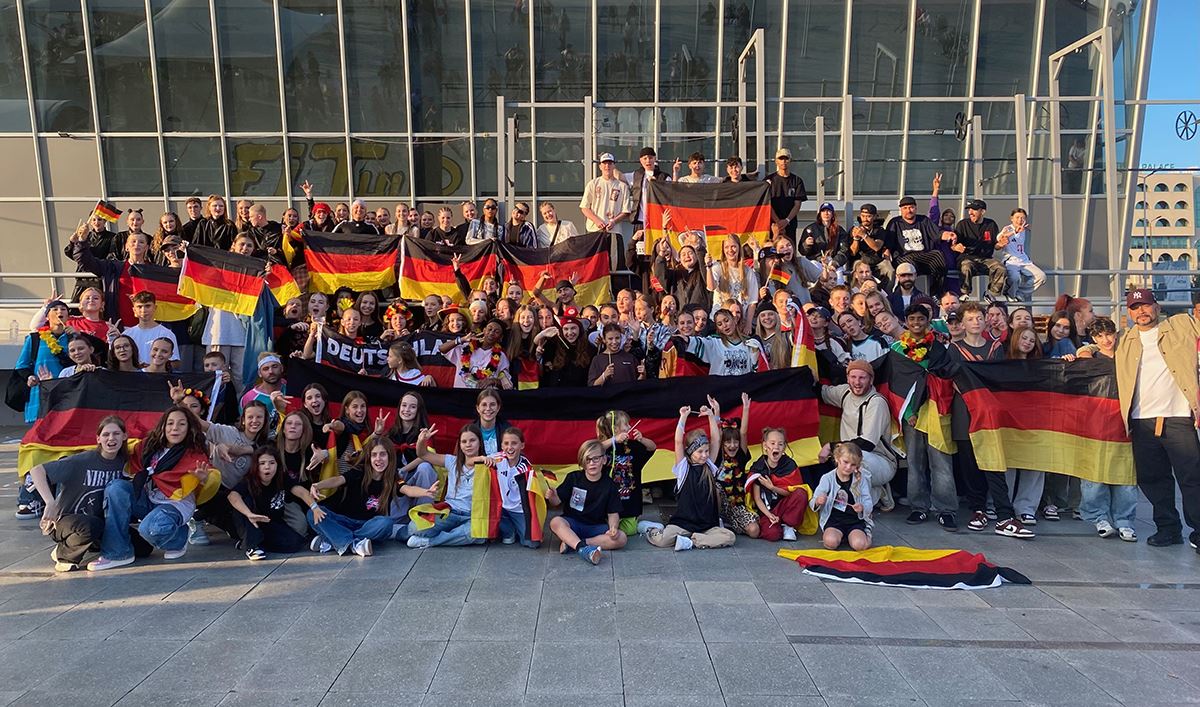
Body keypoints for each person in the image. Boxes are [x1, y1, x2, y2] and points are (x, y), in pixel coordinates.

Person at [1114, 288, 1200, 550]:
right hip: (1142, 419)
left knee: (1192, 476)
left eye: (1145, 305)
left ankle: (1198, 530)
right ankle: (1168, 528)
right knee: (1153, 478)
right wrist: (1085, 350)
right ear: (1129, 313)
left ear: (1157, 307)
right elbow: (1101, 346)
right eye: (1135, 307)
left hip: (1177, 415)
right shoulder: (1125, 339)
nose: (1141, 311)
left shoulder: (1180, 325)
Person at [88, 406, 220, 570]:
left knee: (150, 530)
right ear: (163, 426)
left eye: (181, 424)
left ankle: (179, 538)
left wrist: (204, 479)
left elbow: (211, 476)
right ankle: (118, 553)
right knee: (116, 488)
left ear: (189, 428)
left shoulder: (194, 453)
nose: (175, 428)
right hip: (149, 499)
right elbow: (127, 451)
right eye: (170, 423)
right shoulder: (149, 446)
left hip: (174, 504)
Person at [307, 435, 437, 556]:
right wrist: (318, 485)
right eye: (374, 455)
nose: (378, 459)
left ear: (390, 457)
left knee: (386, 523)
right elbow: (338, 480)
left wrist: (425, 492)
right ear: (369, 457)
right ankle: (352, 544)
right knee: (313, 512)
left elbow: (408, 490)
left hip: (369, 526)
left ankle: (335, 540)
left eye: (382, 454)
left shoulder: (393, 478)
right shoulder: (360, 471)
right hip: (344, 521)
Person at [28, 416, 129, 572]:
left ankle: (91, 544)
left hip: (101, 522)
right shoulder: (82, 461)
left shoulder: (125, 462)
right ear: (98, 439)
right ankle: (64, 554)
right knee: (90, 526)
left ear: (125, 436)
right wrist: (49, 502)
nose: (111, 438)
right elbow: (36, 471)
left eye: (116, 434)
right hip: (66, 522)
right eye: (106, 434)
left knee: (142, 547)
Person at [891, 303, 958, 531]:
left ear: (928, 320)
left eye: (921, 319)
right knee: (915, 462)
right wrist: (909, 413)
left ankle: (946, 510)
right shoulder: (897, 349)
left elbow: (945, 378)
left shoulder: (939, 347)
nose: (916, 323)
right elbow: (897, 385)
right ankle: (918, 507)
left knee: (941, 460)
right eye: (912, 319)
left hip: (936, 410)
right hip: (912, 414)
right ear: (906, 322)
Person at [1074, 318, 1138, 542]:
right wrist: (1074, 358)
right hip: (1095, 422)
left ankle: (1124, 520)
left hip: (1124, 421)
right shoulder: (1088, 360)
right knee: (1094, 472)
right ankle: (1099, 517)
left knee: (1126, 473)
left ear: (1115, 333)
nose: (1106, 340)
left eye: (1109, 334)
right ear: (1093, 338)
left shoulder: (1127, 356)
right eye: (1099, 336)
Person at [644, 404, 736, 551]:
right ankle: (654, 529)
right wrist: (683, 417)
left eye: (706, 451)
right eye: (700, 452)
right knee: (663, 541)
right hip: (683, 524)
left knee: (729, 537)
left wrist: (711, 416)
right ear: (690, 451)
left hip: (707, 526)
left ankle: (691, 541)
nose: (705, 455)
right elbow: (678, 442)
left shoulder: (709, 466)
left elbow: (716, 440)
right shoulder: (683, 469)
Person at [819, 360, 897, 511]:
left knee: (853, 460)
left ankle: (866, 504)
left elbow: (867, 443)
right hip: (851, 455)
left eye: (862, 378)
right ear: (847, 378)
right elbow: (820, 392)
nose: (857, 382)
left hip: (881, 461)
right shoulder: (845, 392)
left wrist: (831, 446)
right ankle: (877, 492)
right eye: (853, 377)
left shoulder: (877, 402)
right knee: (846, 460)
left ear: (871, 380)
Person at [405, 424, 489, 548]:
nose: (468, 444)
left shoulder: (488, 462)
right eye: (464, 441)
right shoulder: (452, 461)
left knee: (479, 533)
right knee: (414, 528)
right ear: (459, 445)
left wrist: (482, 459)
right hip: (449, 512)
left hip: (473, 515)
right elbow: (423, 454)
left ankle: (429, 542)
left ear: (480, 443)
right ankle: (454, 536)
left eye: (472, 440)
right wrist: (422, 440)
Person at [547, 439, 627, 565]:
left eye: (596, 459)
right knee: (555, 522)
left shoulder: (610, 485)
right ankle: (582, 548)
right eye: (587, 460)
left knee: (621, 538)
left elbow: (613, 513)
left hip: (595, 527)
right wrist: (552, 496)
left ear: (604, 460)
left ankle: (576, 543)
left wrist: (613, 528)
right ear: (582, 462)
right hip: (573, 523)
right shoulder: (573, 477)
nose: (592, 463)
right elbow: (556, 502)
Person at [226, 447, 308, 560]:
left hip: (269, 522)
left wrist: (315, 507)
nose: (267, 467)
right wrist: (249, 514)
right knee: (246, 500)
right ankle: (252, 547)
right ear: (256, 466)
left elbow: (299, 490)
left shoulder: (281, 478)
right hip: (250, 522)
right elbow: (232, 496)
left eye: (272, 463)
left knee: (296, 543)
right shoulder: (249, 480)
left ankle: (248, 543)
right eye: (262, 463)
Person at [596, 410, 659, 538]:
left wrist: (642, 439)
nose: (630, 427)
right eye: (626, 424)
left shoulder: (633, 446)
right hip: (607, 504)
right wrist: (613, 440)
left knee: (629, 531)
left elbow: (652, 447)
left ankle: (639, 526)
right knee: (603, 528)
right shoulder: (605, 448)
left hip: (629, 503)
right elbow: (592, 449)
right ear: (615, 429)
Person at [884, 182, 948, 295]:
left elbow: (937, 234)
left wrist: (948, 235)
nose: (909, 210)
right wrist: (887, 256)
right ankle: (904, 294)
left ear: (915, 208)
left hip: (923, 255)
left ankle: (936, 293)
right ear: (901, 210)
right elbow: (888, 244)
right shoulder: (895, 223)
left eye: (911, 207)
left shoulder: (923, 220)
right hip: (904, 256)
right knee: (908, 266)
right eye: (905, 208)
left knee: (939, 256)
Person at [747, 426, 808, 542]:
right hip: (768, 510)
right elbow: (757, 499)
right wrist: (769, 515)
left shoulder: (789, 465)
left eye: (780, 444)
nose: (776, 447)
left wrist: (772, 487)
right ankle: (777, 526)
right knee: (773, 535)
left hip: (785, 507)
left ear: (784, 447)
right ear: (765, 446)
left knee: (801, 493)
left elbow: (790, 493)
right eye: (772, 443)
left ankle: (788, 525)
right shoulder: (758, 468)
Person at [811, 442, 874, 550]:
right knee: (830, 542)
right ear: (837, 459)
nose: (848, 467)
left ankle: (864, 534)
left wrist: (862, 507)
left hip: (855, 521)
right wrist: (818, 501)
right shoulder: (827, 478)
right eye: (845, 462)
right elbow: (813, 501)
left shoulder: (861, 479)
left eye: (853, 465)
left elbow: (868, 501)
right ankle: (842, 537)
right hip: (834, 521)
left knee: (859, 545)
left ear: (857, 465)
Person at [951, 199, 1007, 301]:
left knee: (1001, 268)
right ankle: (964, 294)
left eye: (974, 210)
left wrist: (1001, 244)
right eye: (969, 210)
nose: (970, 212)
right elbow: (953, 245)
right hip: (967, 258)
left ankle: (991, 295)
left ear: (982, 211)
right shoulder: (962, 224)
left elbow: (996, 245)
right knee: (966, 266)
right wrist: (956, 247)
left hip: (986, 259)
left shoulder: (991, 224)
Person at [438, 319, 513, 389]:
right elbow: (442, 349)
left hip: (485, 396)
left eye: (496, 332)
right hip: (461, 394)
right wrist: (462, 339)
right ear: (484, 330)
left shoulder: (501, 356)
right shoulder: (465, 347)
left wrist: (493, 381)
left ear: (500, 337)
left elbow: (507, 383)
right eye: (489, 329)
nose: (491, 333)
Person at [996, 208, 1045, 302]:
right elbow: (999, 238)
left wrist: (1023, 229)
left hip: (1024, 260)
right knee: (1015, 278)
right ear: (1012, 218)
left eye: (1022, 218)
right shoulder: (1008, 228)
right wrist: (1015, 231)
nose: (1020, 220)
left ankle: (1019, 292)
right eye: (1017, 217)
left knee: (1041, 276)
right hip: (1011, 261)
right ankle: (1010, 293)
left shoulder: (1024, 229)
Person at [580, 153, 632, 238]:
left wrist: (614, 222)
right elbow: (584, 207)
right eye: (604, 163)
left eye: (610, 163)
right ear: (600, 166)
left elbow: (626, 211)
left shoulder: (623, 187)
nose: (607, 166)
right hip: (594, 229)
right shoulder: (592, 184)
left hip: (614, 230)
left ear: (614, 166)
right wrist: (596, 220)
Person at [123, 291, 181, 366]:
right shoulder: (127, 334)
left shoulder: (167, 334)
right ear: (134, 310)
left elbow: (175, 362)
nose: (143, 310)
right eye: (139, 307)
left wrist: (154, 368)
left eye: (147, 306)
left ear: (155, 308)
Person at [764, 147, 807, 241]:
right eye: (781, 159)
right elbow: (766, 203)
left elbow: (797, 204)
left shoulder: (797, 181)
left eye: (786, 158)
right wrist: (778, 221)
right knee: (772, 247)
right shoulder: (768, 181)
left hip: (790, 224)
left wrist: (787, 220)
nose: (783, 161)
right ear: (776, 161)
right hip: (772, 224)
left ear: (790, 160)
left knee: (790, 247)